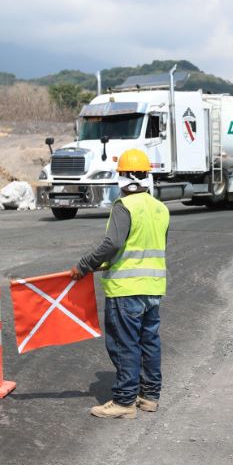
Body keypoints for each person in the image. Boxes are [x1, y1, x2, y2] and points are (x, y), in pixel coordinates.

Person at [71, 148, 169, 419]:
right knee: (149, 342)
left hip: (126, 291)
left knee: (125, 344)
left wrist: (85, 264)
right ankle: (149, 396)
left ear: (123, 178)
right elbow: (145, 246)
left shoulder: (124, 206)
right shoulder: (160, 209)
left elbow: (113, 243)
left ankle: (124, 401)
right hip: (153, 290)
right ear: (146, 176)